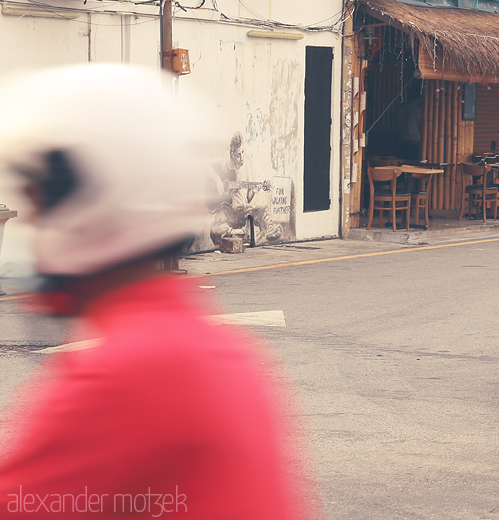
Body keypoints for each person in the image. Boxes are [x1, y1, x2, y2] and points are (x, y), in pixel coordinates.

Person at [0, 64, 312, 519]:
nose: (32, 228)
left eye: (42, 203)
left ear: (95, 204)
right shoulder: (210, 347)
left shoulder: (128, 370)